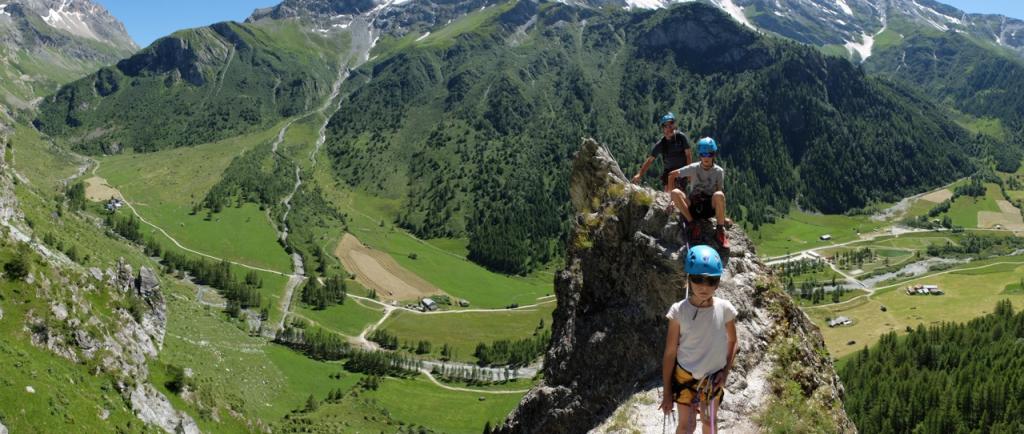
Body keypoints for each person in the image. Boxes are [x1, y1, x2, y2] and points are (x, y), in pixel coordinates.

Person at [660, 245, 738, 434]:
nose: (704, 286)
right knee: (686, 426)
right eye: (698, 279)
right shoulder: (678, 311)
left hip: (712, 378)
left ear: (717, 283)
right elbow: (670, 352)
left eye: (711, 281)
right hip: (685, 377)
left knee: (709, 423)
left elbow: (733, 342)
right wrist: (667, 392)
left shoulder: (725, 309)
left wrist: (725, 374)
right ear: (689, 279)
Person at [667, 137, 730, 248]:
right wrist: (671, 200)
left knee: (719, 194)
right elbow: (671, 175)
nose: (706, 157)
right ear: (700, 155)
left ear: (714, 155)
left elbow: (719, 194)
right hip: (693, 205)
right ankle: (692, 224)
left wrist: (722, 217)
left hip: (708, 207)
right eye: (703, 154)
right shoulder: (694, 167)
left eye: (709, 154)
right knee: (675, 192)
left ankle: (720, 230)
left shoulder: (719, 171)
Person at [632, 113, 692, 192]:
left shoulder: (681, 137)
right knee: (668, 194)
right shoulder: (661, 144)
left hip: (681, 171)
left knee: (677, 194)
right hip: (669, 172)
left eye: (671, 124)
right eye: (666, 126)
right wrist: (639, 174)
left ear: (674, 125)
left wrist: (689, 171)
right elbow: (650, 160)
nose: (669, 128)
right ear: (663, 128)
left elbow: (688, 155)